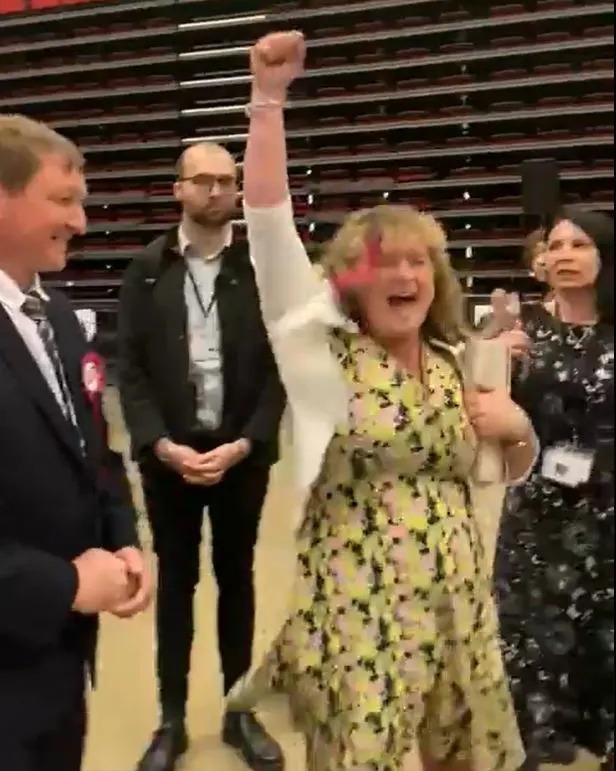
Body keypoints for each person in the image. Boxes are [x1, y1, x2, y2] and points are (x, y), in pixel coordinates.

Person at [226, 31, 540, 771]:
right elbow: (269, 224)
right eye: (385, 262)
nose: (406, 273)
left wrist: (519, 429)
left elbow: (496, 469)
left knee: (461, 759)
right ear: (348, 281)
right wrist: (267, 101)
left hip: (458, 602)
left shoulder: (455, 358)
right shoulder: (317, 354)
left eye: (419, 261)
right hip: (357, 613)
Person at [118, 142, 286, 771]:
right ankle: (171, 719)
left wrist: (247, 442)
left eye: (227, 181)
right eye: (203, 181)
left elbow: (278, 370)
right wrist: (160, 443)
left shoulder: (259, 269)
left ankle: (239, 714)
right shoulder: (147, 270)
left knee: (237, 581)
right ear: (178, 189)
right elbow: (128, 370)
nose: (216, 192)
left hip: (242, 454)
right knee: (178, 586)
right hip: (170, 458)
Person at [0, 114, 152, 771]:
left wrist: (124, 536)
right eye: (63, 200)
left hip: (61, 668)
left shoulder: (59, 316)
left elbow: (94, 454)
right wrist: (61, 582)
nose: (81, 222)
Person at [494, 208, 614, 770]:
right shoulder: (523, 333)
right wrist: (497, 361)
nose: (565, 254)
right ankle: (539, 736)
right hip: (537, 510)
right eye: (557, 244)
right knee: (534, 628)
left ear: (603, 256)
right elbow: (487, 418)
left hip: (608, 510)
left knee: (604, 629)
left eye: (580, 244)